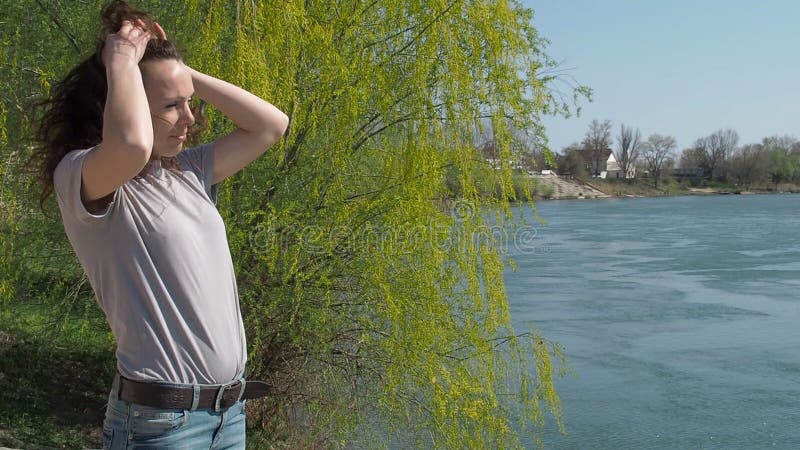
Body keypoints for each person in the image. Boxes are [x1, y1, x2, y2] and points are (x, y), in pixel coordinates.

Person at [32, 1, 289, 448]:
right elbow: (131, 143)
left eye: (188, 103)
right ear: (117, 100)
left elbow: (270, 125)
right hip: (161, 426)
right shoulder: (84, 176)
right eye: (172, 106)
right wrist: (122, 60)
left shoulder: (188, 171)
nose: (190, 119)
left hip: (228, 419)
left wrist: (180, 72)